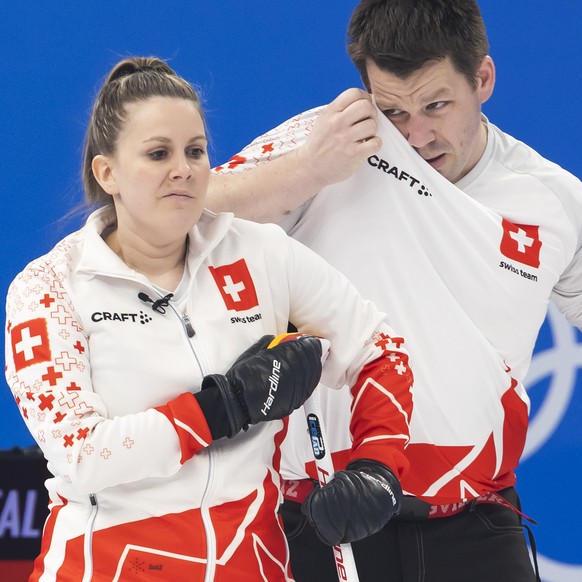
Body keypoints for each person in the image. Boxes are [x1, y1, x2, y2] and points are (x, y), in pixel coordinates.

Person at [208, 1, 582, 581]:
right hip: (325, 516)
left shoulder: (553, 200)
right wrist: (308, 169)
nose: (416, 134)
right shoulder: (328, 140)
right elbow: (178, 215)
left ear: (482, 78)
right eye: (394, 111)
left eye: (436, 105)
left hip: (476, 518)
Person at [4, 56, 415, 581]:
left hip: (251, 561)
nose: (184, 169)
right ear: (106, 172)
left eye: (195, 151)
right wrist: (227, 405)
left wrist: (378, 466)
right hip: (107, 563)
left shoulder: (261, 252)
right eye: (158, 153)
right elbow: (82, 454)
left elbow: (380, 350)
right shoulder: (48, 287)